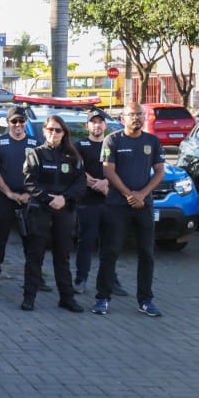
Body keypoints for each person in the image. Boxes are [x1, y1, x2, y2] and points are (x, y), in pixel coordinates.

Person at [94, 103, 166, 317]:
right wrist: (128, 194)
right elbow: (108, 171)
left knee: (146, 253)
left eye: (139, 114)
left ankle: (145, 300)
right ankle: (102, 298)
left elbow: (160, 171)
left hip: (144, 205)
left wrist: (142, 194)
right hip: (117, 205)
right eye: (132, 114)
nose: (136, 118)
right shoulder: (113, 140)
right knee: (110, 251)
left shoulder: (152, 141)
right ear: (123, 118)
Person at [20, 115, 86, 312]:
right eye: (50, 129)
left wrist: (64, 199)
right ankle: (29, 297)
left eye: (58, 130)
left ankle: (67, 298)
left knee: (62, 256)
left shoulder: (74, 156)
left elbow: (80, 183)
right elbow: (29, 182)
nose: (54, 133)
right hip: (40, 211)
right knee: (35, 255)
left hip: (64, 211)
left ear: (64, 133)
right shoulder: (35, 154)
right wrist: (49, 199)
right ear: (44, 131)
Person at [0, 105, 40, 289]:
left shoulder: (35, 143)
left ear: (25, 123)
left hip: (29, 199)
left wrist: (28, 194)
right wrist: (9, 193)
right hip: (4, 198)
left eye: (21, 121)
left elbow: (41, 173)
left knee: (32, 240)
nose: (18, 124)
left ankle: (35, 276)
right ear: (8, 123)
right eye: (14, 121)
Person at [74, 108, 126, 296]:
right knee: (86, 243)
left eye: (100, 122)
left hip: (111, 203)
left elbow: (120, 169)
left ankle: (111, 280)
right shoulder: (80, 145)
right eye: (93, 122)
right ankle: (81, 280)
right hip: (88, 203)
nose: (97, 125)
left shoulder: (113, 144)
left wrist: (107, 183)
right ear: (87, 126)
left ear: (105, 125)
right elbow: (78, 170)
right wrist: (97, 183)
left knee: (110, 244)